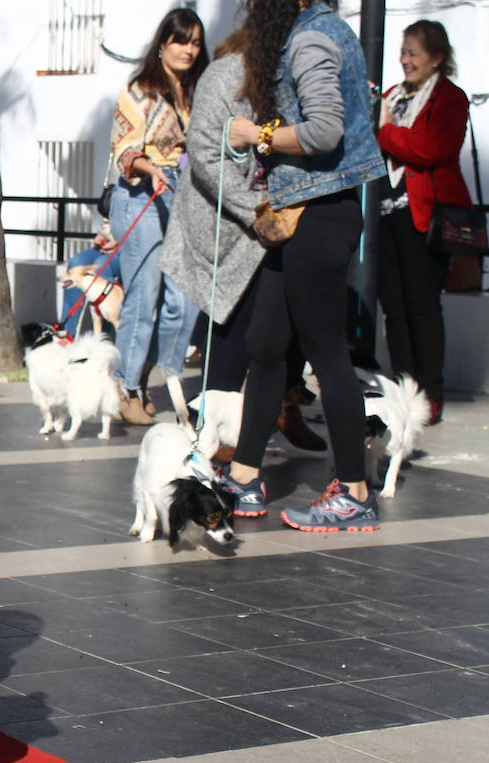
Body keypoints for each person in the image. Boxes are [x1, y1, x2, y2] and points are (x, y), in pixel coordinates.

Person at [219, 0, 387, 531]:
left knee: (325, 350)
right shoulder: (312, 31)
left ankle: (355, 492)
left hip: (320, 214)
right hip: (297, 214)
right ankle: (244, 477)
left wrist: (256, 135)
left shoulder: (312, 38)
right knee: (267, 342)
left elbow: (324, 131)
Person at [159, 33, 326, 457]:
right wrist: (259, 209)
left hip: (276, 222)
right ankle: (216, 450)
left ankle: (280, 410)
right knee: (234, 330)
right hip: (231, 228)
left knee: (283, 332)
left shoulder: (298, 72)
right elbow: (206, 154)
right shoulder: (227, 75)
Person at [108, 8, 209, 426]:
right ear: (163, 43)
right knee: (143, 297)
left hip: (182, 202)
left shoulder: (196, 92)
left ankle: (155, 378)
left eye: (195, 42)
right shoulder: (140, 90)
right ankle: (126, 387)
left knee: (182, 301)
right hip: (139, 197)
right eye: (181, 40)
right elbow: (123, 151)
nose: (188, 49)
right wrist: (152, 169)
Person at [376, 20, 471, 426]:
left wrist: (385, 133)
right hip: (384, 214)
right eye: (403, 52)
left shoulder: (450, 98)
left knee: (421, 307)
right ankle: (403, 390)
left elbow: (431, 147)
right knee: (393, 308)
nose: (406, 60)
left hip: (425, 216)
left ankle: (431, 393)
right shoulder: (392, 96)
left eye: (414, 52)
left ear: (436, 57)